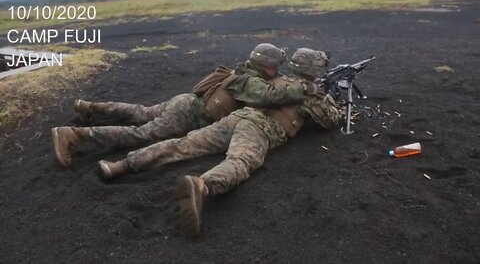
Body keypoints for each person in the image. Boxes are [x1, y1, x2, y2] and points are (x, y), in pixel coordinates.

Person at [96, 48, 341, 238]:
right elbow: (331, 121)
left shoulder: (278, 80)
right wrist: (330, 99)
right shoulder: (312, 94)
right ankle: (202, 186)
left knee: (183, 144)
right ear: (313, 70)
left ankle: (120, 166)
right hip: (258, 129)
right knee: (241, 161)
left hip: (236, 118)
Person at [52, 43, 314, 168]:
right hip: (189, 113)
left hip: (185, 102)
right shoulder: (250, 82)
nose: (277, 71)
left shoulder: (243, 70)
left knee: (141, 112)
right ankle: (76, 135)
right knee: (141, 133)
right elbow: (267, 97)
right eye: (276, 67)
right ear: (267, 66)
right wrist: (301, 88)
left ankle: (90, 107)